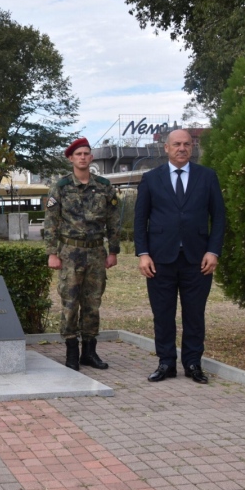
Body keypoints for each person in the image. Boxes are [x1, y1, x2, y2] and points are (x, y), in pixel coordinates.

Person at [134, 129, 226, 384]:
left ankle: (193, 363)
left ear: (192, 147)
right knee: (162, 314)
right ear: (166, 148)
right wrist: (143, 254)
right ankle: (166, 363)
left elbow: (218, 217)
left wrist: (213, 250)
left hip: (198, 260)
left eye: (187, 144)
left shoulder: (207, 177)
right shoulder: (151, 179)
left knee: (194, 314)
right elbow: (140, 220)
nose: (182, 148)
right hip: (160, 260)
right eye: (177, 144)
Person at [44, 137, 121, 371]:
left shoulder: (105, 186)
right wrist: (52, 253)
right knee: (70, 303)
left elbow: (113, 221)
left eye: (87, 154)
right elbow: (51, 222)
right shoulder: (61, 187)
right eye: (79, 154)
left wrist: (113, 251)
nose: (83, 157)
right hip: (70, 252)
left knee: (92, 303)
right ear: (71, 158)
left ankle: (89, 351)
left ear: (92, 157)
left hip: (97, 252)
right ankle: (71, 352)